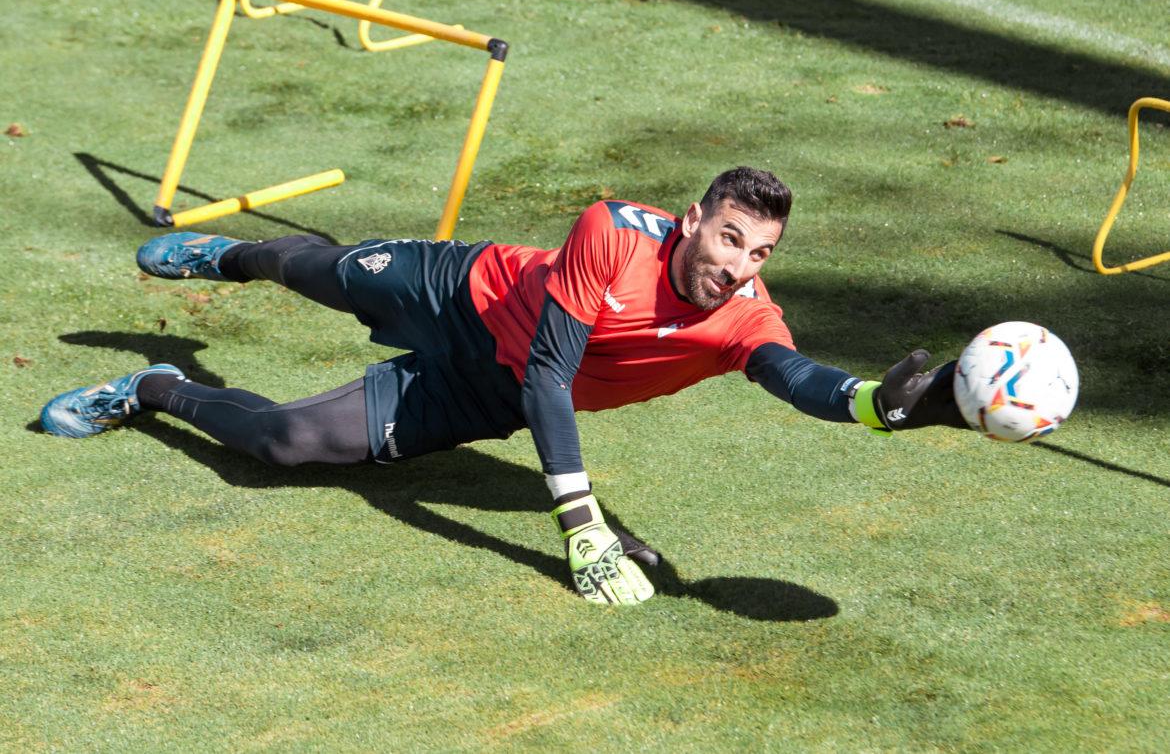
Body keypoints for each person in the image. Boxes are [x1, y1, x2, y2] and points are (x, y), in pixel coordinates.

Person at [40, 167, 967, 606]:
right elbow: (555, 372)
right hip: (462, 290)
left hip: (481, 394)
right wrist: (581, 525)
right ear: (693, 220)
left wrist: (874, 409)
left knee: (281, 447)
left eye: (759, 253)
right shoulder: (613, 230)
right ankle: (227, 257)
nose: (737, 266)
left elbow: (795, 375)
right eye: (728, 238)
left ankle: (152, 387)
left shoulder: (747, 318)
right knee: (311, 270)